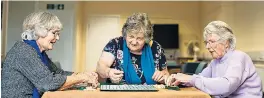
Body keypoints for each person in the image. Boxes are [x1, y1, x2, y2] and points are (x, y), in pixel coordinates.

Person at [1, 11, 98, 98]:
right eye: (54, 33)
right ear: (39, 32)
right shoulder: (23, 51)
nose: (57, 38)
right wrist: (81, 78)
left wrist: (82, 74)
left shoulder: (36, 52)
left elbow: (57, 73)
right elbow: (48, 83)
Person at [166, 21, 263, 98]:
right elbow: (201, 79)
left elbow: (226, 86)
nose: (207, 46)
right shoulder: (215, 62)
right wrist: (180, 79)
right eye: (206, 42)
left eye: (211, 41)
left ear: (226, 42)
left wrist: (191, 79)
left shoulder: (238, 57)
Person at [96, 12, 169, 85]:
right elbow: (101, 67)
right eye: (131, 37)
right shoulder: (115, 44)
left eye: (139, 38)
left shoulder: (156, 47)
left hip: (149, 95)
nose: (134, 42)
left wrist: (162, 76)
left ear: (146, 38)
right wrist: (109, 72)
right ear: (125, 34)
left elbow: (165, 74)